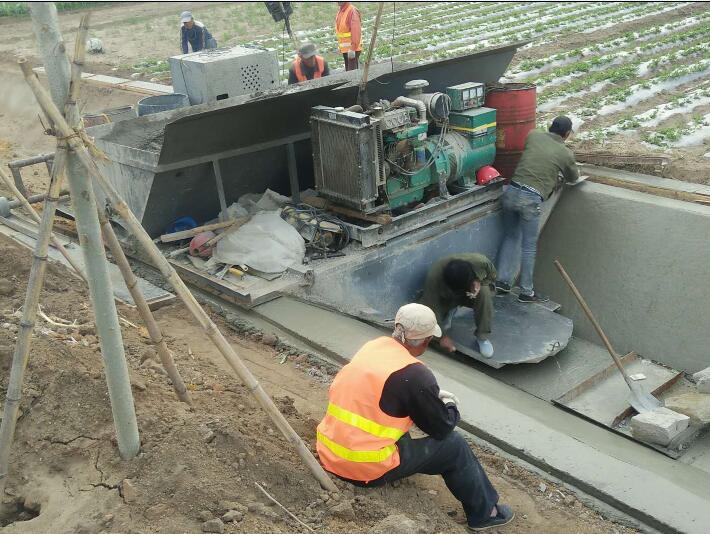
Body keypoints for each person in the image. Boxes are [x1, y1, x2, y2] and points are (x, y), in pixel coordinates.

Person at [316, 303, 514, 532]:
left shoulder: (373, 347)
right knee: (454, 446)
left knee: (393, 423)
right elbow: (441, 429)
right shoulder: (415, 374)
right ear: (426, 341)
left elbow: (380, 396)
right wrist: (449, 406)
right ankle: (486, 514)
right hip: (362, 468)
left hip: (330, 452)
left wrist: (421, 397)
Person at [495, 116, 579, 303]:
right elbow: (573, 177)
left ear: (550, 127)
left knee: (510, 237)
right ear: (566, 134)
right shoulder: (565, 153)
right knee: (529, 247)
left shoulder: (533, 135)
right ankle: (526, 292)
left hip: (510, 192)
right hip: (530, 199)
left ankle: (502, 282)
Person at [419, 254, 496, 358]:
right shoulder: (434, 276)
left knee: (484, 292)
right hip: (447, 297)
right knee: (423, 315)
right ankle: (450, 310)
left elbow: (492, 275)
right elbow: (431, 308)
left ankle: (482, 337)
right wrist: (442, 337)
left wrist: (480, 281)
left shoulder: (480, 262)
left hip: (470, 290)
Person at [335, 2, 362, 71]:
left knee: (352, 75)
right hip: (346, 50)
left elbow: (356, 31)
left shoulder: (352, 11)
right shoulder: (341, 11)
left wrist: (353, 48)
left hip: (352, 50)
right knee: (349, 73)